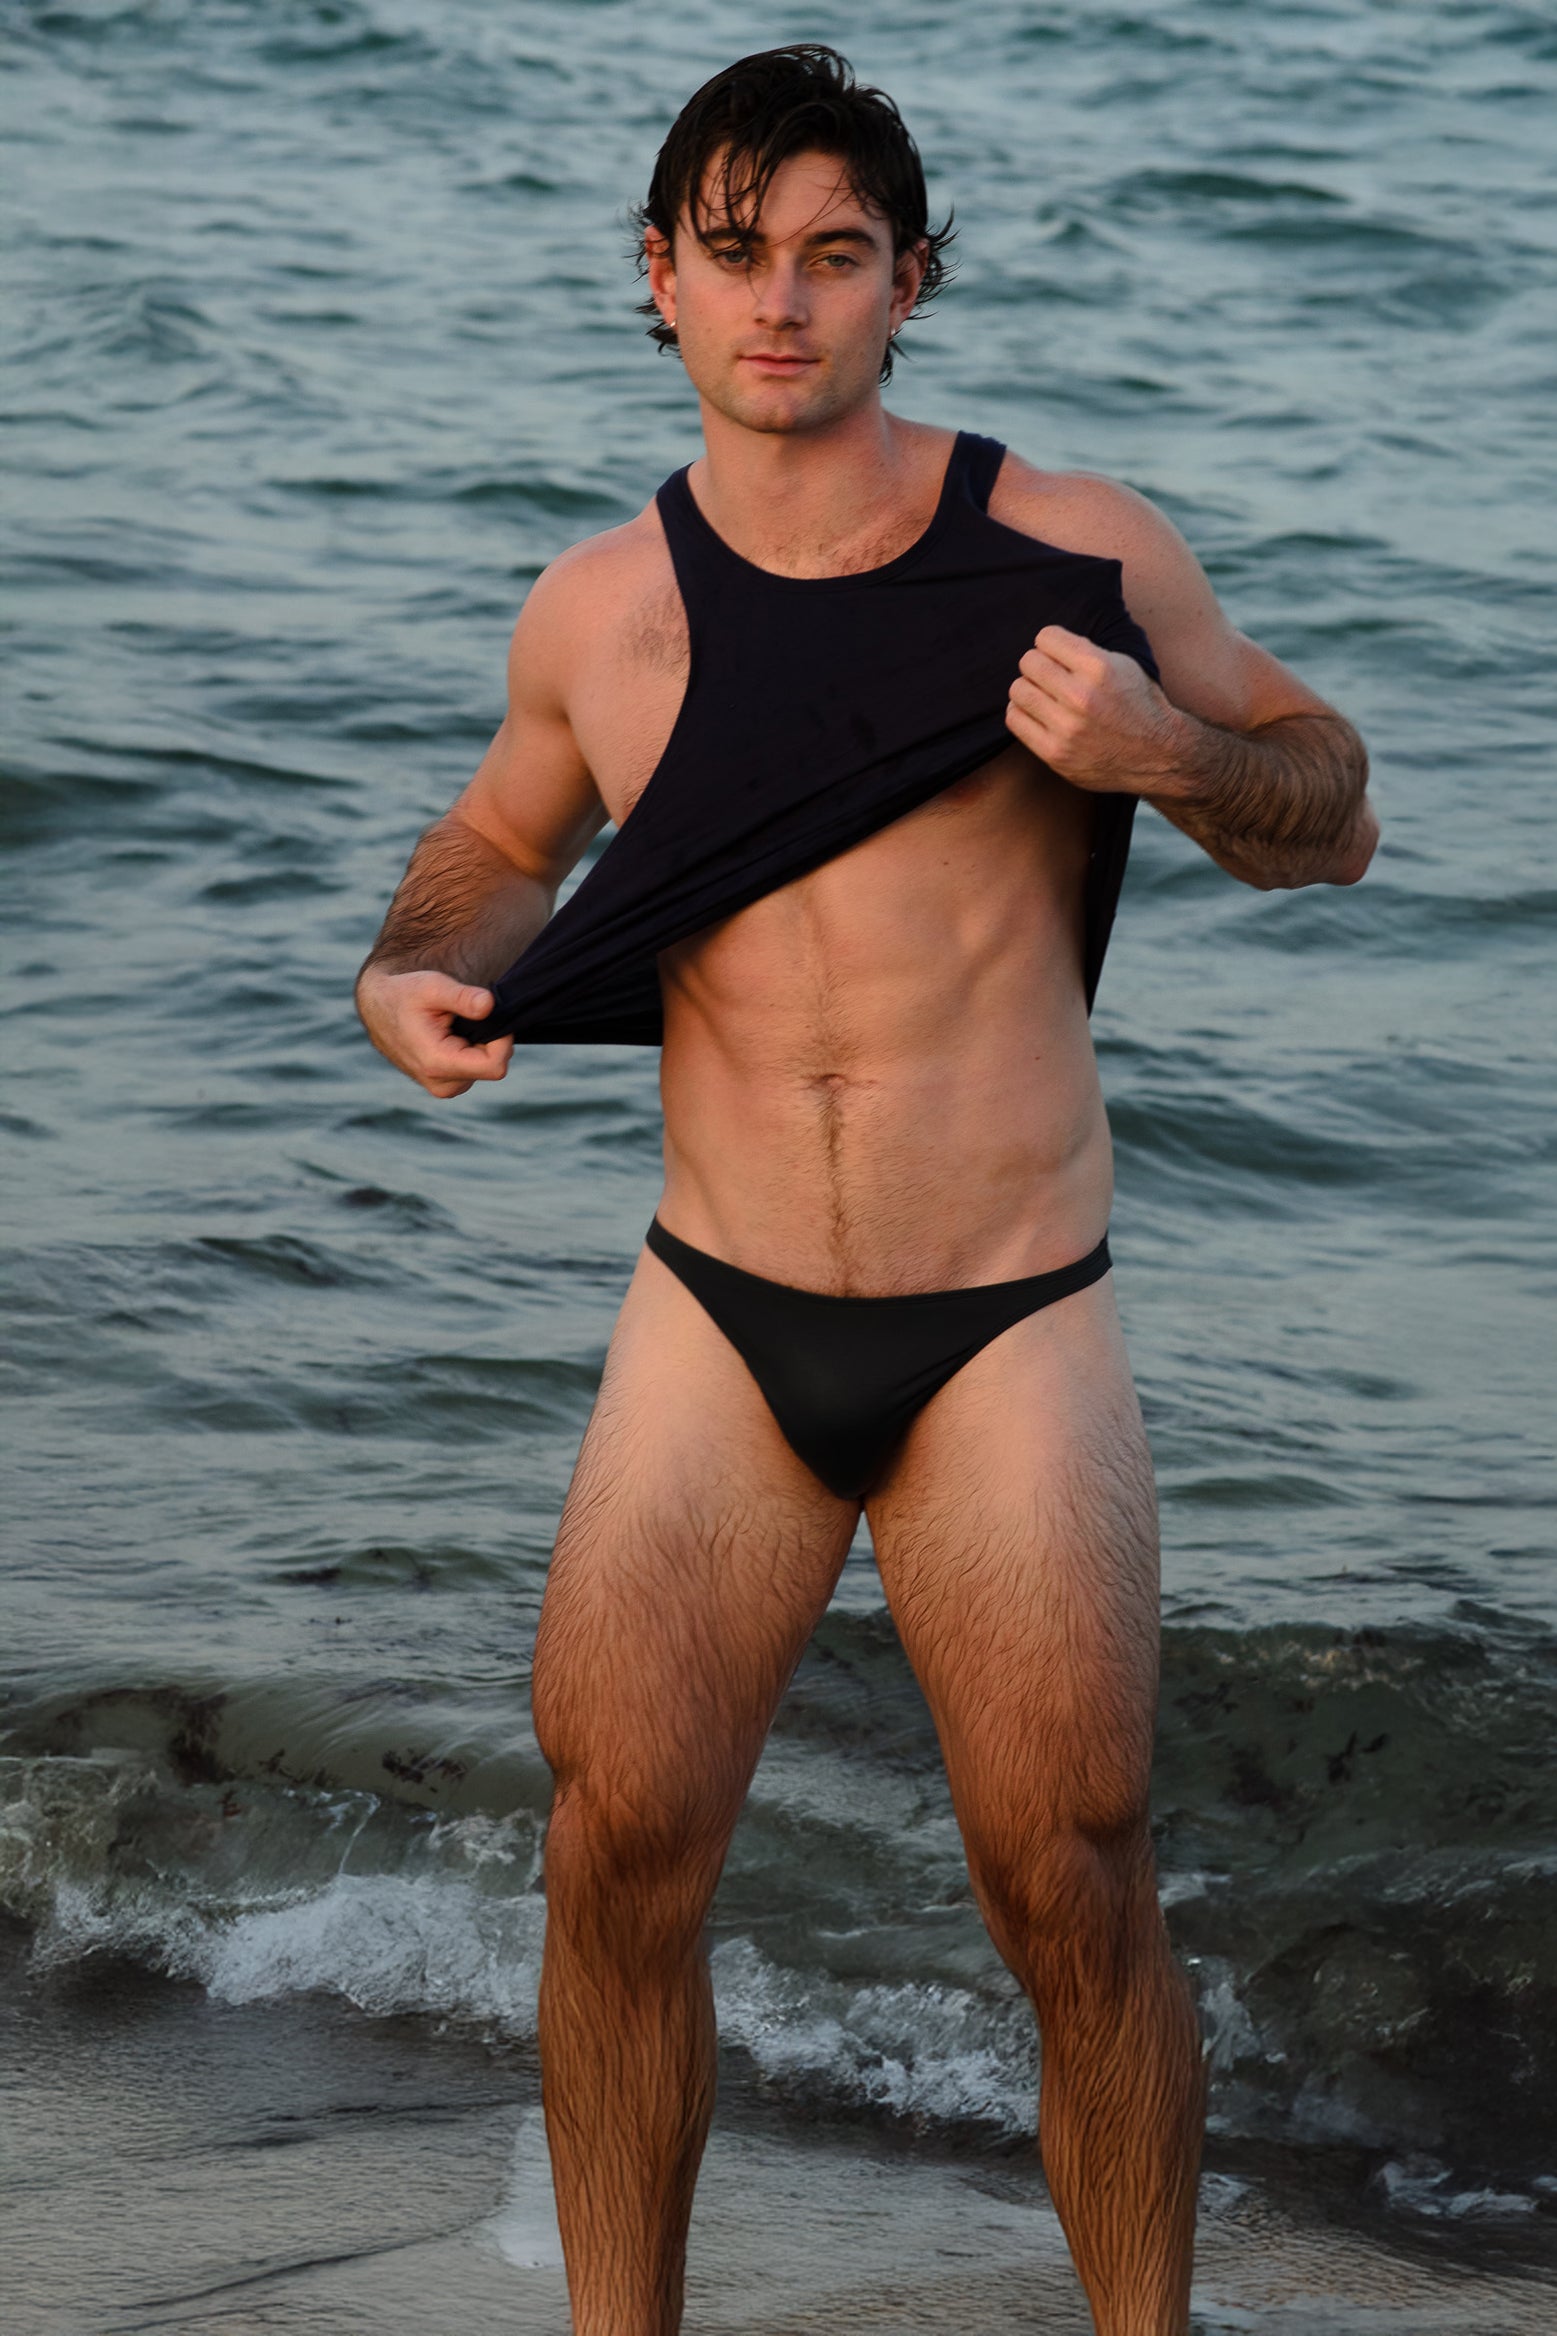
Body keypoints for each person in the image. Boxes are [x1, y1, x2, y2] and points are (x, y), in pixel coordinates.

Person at [354, 44, 1376, 2336]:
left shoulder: (1076, 553)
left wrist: (1161, 751)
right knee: (616, 1847)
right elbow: (502, 844)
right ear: (658, 277)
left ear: (910, 281)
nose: (781, 303)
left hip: (1002, 1317)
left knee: (1068, 1879)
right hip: (717, 1308)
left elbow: (1329, 802)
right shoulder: (599, 610)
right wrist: (412, 966)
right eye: (735, 255)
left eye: (834, 255)